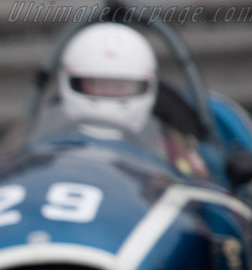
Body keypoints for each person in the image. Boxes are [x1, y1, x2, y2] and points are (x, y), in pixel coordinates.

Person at [55, 22, 208, 178]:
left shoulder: (170, 146)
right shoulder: (50, 136)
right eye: (98, 84)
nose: (109, 92)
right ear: (74, 83)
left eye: (120, 86)